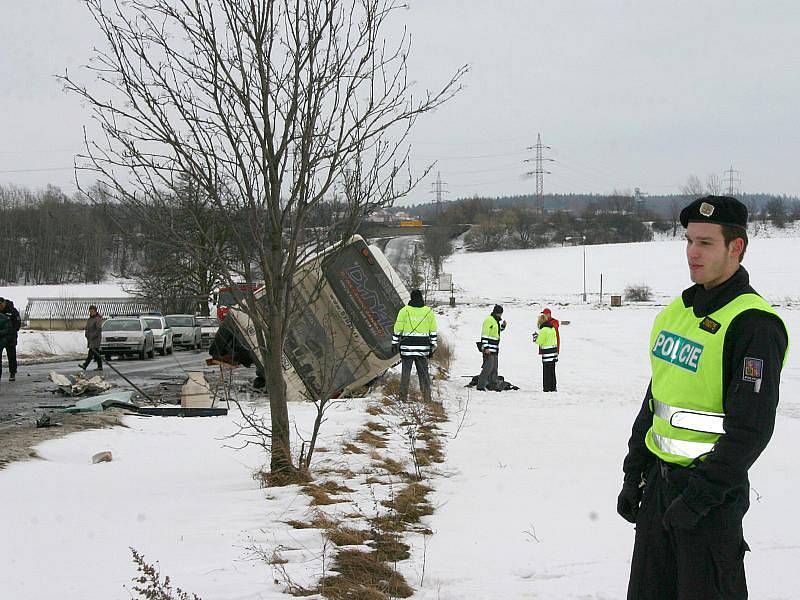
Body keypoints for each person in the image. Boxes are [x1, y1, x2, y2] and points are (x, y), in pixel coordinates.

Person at [617, 196, 789, 600]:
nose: (693, 252)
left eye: (706, 243)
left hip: (709, 503)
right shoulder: (678, 310)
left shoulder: (753, 324)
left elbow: (751, 429)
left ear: (736, 247)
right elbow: (656, 398)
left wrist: (699, 499)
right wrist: (633, 472)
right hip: (659, 491)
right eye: (689, 240)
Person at [392, 289, 437, 402]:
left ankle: (402, 398)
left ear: (411, 298)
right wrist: (433, 345)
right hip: (423, 348)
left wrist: (394, 342)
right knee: (424, 375)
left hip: (407, 348)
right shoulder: (428, 311)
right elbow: (433, 330)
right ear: (421, 298)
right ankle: (427, 399)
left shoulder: (404, 311)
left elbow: (398, 329)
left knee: (405, 374)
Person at [476, 304, 506, 391]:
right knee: (487, 368)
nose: (501, 315)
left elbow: (496, 332)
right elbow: (484, 335)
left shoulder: (495, 321)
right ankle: (480, 386)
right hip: (488, 349)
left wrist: (503, 327)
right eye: (500, 313)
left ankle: (492, 384)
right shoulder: (489, 320)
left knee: (494, 368)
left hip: (495, 349)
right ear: (497, 313)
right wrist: (486, 347)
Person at [533, 312, 558, 392]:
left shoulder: (543, 330)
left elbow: (540, 342)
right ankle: (553, 387)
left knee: (546, 372)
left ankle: (547, 388)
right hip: (553, 352)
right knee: (552, 371)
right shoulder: (552, 328)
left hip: (547, 354)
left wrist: (535, 337)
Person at [0, 297, 22, 382]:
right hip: (1, 337)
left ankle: (12, 373)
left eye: (1, 305)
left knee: (11, 356)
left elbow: (17, 323)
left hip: (10, 338)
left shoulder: (12, 311)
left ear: (4, 303)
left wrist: (11, 331)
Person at [79, 305, 104, 371]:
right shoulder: (90, 319)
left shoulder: (97, 319)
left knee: (91, 352)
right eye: (90, 311)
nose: (91, 313)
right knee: (96, 352)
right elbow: (87, 328)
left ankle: (85, 365)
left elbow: (98, 329)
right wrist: (86, 334)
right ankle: (100, 366)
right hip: (90, 338)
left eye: (92, 311)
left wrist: (93, 336)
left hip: (95, 338)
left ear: (95, 311)